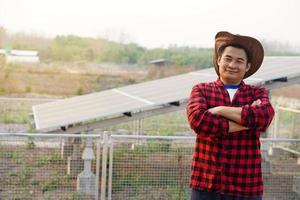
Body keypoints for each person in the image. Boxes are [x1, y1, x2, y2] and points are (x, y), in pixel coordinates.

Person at [186, 31, 275, 200]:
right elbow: (198, 121)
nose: (232, 65)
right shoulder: (202, 89)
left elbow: (264, 117)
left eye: (239, 61)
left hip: (246, 185)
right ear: (219, 60)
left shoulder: (257, 92)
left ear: (247, 66)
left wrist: (219, 110)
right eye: (228, 58)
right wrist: (248, 121)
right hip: (206, 184)